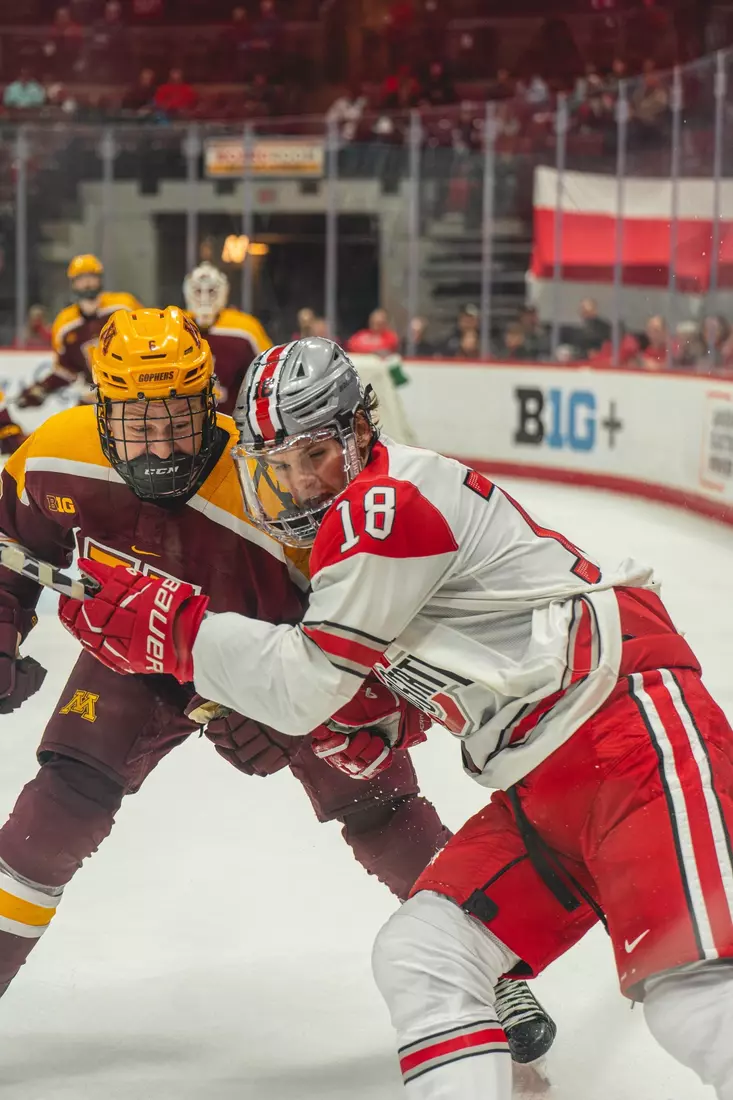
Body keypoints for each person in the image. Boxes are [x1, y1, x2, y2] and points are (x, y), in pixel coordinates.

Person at [65, 336, 733, 1099]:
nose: (298, 483)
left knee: (694, 996)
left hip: (629, 739)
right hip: (545, 783)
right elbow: (400, 674)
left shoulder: (383, 504)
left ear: (357, 431)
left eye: (314, 455)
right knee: (425, 953)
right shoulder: (363, 525)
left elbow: (304, 683)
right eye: (278, 466)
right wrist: (379, 718)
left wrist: (178, 630)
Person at [1, 315, 551, 1065]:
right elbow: (11, 547)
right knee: (62, 801)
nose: (159, 448)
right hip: (138, 653)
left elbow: (360, 629)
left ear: (210, 406)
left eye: (177, 423)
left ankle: (499, 973)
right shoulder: (57, 454)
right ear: (101, 414)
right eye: (136, 426)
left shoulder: (272, 481)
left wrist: (284, 713)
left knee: (381, 808)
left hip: (280, 658)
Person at [15, 254, 140, 409]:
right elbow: (66, 370)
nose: (87, 283)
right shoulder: (65, 324)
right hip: (93, 397)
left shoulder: (124, 305)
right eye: (81, 278)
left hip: (132, 394)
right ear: (73, 283)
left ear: (100, 279)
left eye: (91, 277)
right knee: (73, 423)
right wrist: (42, 388)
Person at [182, 262, 270, 415]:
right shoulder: (178, 324)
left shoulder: (245, 328)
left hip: (232, 420)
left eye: (211, 291)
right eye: (198, 291)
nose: (204, 298)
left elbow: (270, 371)